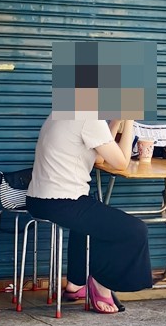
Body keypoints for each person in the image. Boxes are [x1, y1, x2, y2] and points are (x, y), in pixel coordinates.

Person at [26, 115, 153, 313]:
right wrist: (129, 120)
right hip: (63, 201)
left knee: (91, 221)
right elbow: (121, 162)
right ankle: (101, 282)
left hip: (39, 200)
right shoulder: (88, 117)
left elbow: (100, 157)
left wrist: (116, 122)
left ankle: (76, 284)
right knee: (135, 230)